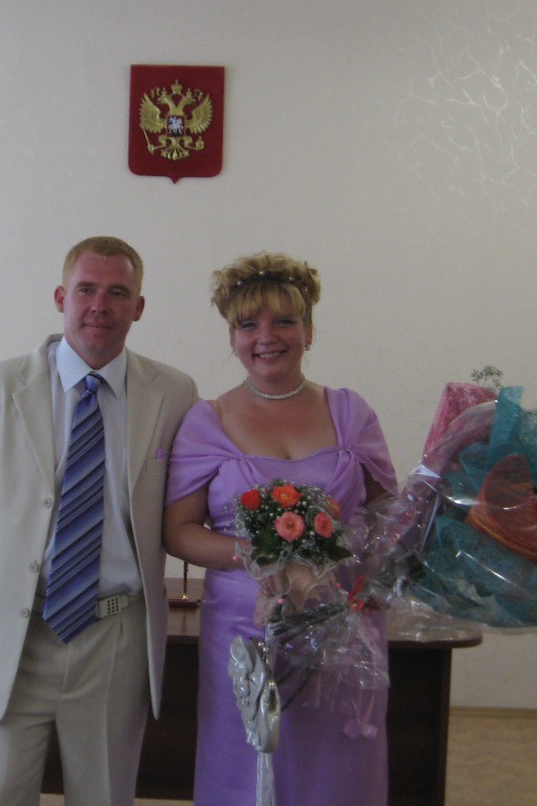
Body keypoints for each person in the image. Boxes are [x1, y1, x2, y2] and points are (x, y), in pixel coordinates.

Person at [0, 236, 197, 806]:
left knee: (105, 796)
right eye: (86, 289)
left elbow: (191, 505)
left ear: (138, 307)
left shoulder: (174, 394)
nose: (100, 305)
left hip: (116, 641)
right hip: (14, 636)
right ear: (60, 297)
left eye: (117, 293)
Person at [163, 252, 397, 806]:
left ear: (309, 331)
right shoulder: (207, 421)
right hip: (245, 630)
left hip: (340, 625)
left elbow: (389, 516)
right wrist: (259, 555)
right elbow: (179, 531)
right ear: (233, 337)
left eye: (284, 322)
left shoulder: (350, 414)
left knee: (336, 773)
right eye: (249, 324)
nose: (266, 337)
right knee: (247, 766)